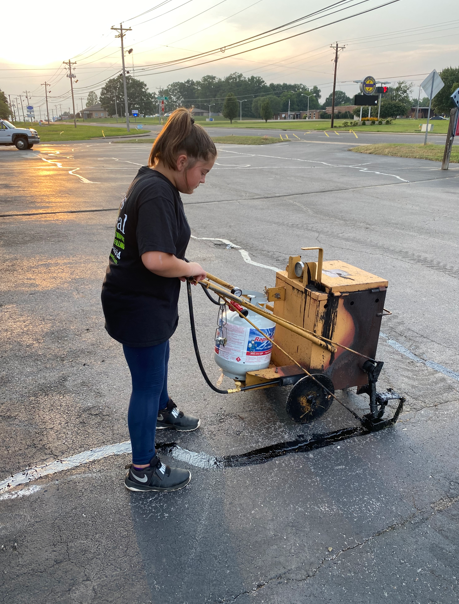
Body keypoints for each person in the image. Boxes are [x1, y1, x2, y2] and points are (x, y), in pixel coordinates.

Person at [101, 108, 217, 493]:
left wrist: (185, 267)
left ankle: (164, 411)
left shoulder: (153, 181)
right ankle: (142, 469)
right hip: (137, 305)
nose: (202, 181)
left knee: (159, 364)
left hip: (142, 300)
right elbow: (154, 259)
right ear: (182, 161)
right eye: (202, 172)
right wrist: (187, 266)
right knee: (146, 384)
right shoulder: (155, 192)